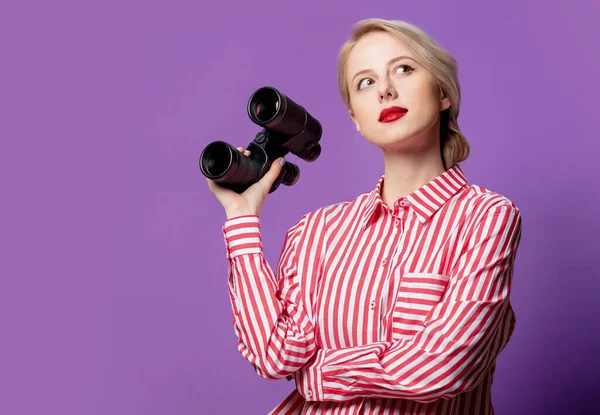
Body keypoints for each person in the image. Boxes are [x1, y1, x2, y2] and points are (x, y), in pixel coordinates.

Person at [206, 17, 523, 415]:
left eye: (404, 69)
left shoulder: (486, 218)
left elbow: (442, 366)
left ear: (443, 93)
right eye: (365, 83)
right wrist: (241, 220)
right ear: (356, 119)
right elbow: (274, 355)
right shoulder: (317, 231)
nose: (386, 90)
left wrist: (320, 373)